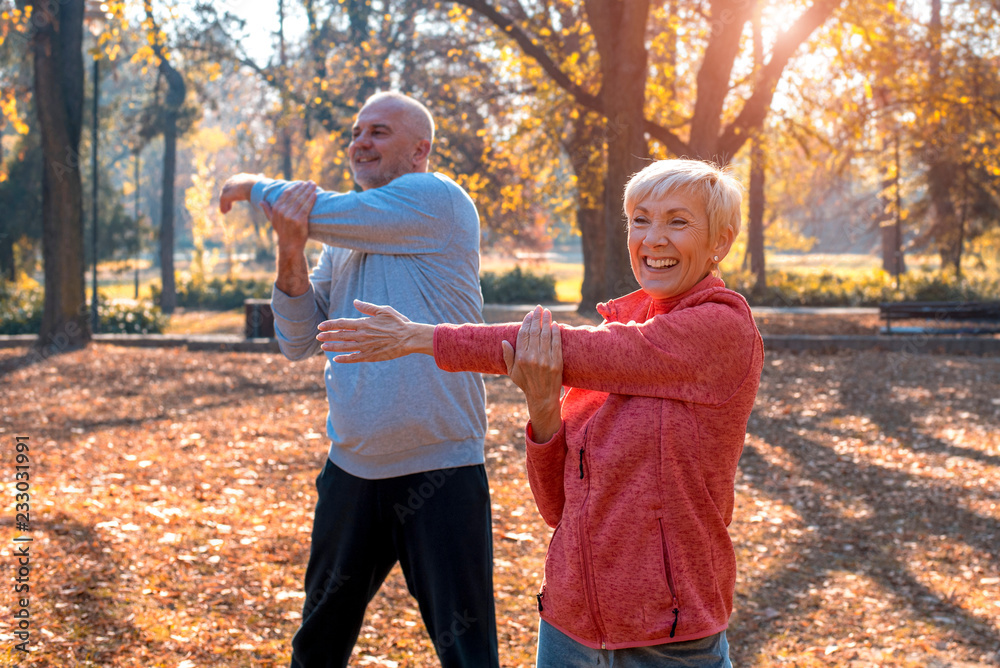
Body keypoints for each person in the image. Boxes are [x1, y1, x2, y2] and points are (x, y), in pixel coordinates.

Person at [314, 158, 765, 667]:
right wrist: (543, 406)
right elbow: (558, 508)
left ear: (721, 241)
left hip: (665, 635)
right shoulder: (614, 339)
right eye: (640, 219)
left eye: (677, 221)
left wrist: (420, 337)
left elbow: (568, 349)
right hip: (567, 627)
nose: (653, 238)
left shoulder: (720, 329)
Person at [218, 91, 500, 668]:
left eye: (379, 132)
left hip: (439, 467)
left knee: (468, 653)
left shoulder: (438, 200)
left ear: (420, 150)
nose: (360, 142)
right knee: (317, 645)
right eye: (356, 132)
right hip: (353, 470)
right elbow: (297, 340)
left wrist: (250, 185)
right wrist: (290, 251)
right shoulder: (345, 248)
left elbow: (320, 210)